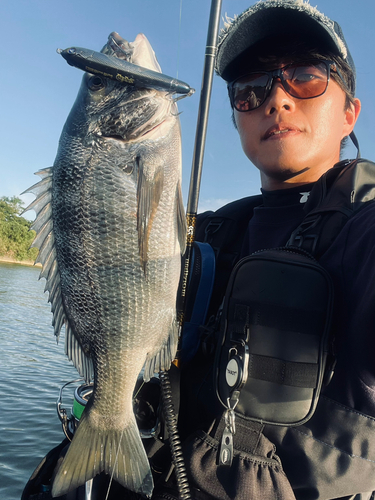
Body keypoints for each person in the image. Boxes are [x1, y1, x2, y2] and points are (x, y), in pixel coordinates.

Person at [22, 1, 375, 499]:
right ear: (236, 119)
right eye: (251, 90)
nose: (277, 99)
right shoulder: (208, 234)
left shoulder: (362, 234)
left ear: (350, 113)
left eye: (305, 76)